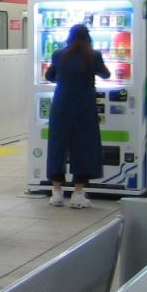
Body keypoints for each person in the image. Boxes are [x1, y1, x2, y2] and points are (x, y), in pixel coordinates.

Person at [45, 23, 110, 208]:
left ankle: (57, 193)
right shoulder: (93, 55)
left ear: (69, 37)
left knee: (57, 146)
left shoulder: (59, 54)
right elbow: (106, 74)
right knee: (84, 146)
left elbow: (49, 76)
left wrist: (64, 79)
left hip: (61, 104)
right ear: (88, 37)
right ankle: (78, 194)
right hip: (84, 106)